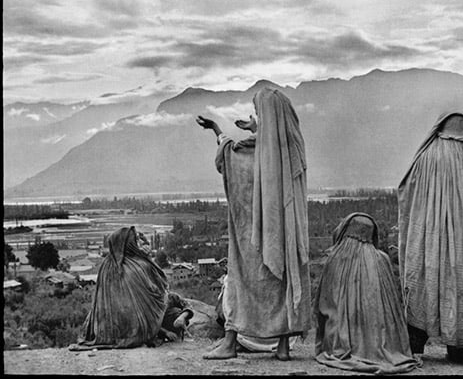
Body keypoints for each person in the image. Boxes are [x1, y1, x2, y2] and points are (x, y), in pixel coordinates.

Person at [196, 87, 311, 360]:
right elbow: (272, 142)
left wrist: (216, 129)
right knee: (281, 282)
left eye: (258, 113)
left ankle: (229, 341)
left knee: (241, 281)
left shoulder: (248, 152)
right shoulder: (293, 149)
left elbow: (227, 155)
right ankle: (283, 346)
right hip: (284, 235)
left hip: (250, 236)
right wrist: (258, 129)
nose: (255, 117)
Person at [397, 112, 463, 362]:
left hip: (429, 238)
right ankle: (457, 350)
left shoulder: (427, 155)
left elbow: (406, 189)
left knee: (424, 283)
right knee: (461, 285)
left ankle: (415, 347)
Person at [314, 212, 420, 374]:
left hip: (339, 341)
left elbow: (323, 306)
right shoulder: (382, 259)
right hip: (385, 341)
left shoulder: (335, 258)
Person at [69, 226, 169, 350]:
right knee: (166, 298)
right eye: (134, 241)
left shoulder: (105, 266)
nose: (136, 244)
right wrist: (147, 257)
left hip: (105, 329)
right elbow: (158, 289)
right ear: (128, 243)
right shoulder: (140, 265)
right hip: (137, 329)